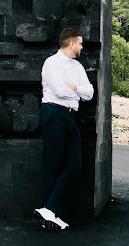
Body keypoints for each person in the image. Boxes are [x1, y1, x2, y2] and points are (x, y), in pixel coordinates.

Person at [34, 28, 94, 231]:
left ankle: (48, 210)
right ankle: (50, 212)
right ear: (71, 43)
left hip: (70, 116)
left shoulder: (77, 67)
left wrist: (74, 88)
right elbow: (58, 91)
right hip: (53, 113)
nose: (82, 46)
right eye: (80, 43)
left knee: (75, 167)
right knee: (53, 164)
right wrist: (76, 92)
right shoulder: (51, 63)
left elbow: (89, 93)